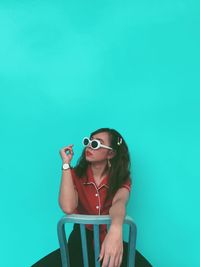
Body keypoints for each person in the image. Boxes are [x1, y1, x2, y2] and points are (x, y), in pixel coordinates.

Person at [32, 128, 152, 267]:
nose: (89, 146)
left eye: (96, 144)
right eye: (88, 141)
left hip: (108, 238)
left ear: (110, 153)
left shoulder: (121, 179)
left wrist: (116, 229)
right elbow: (68, 207)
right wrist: (66, 165)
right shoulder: (75, 174)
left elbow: (119, 203)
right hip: (78, 242)